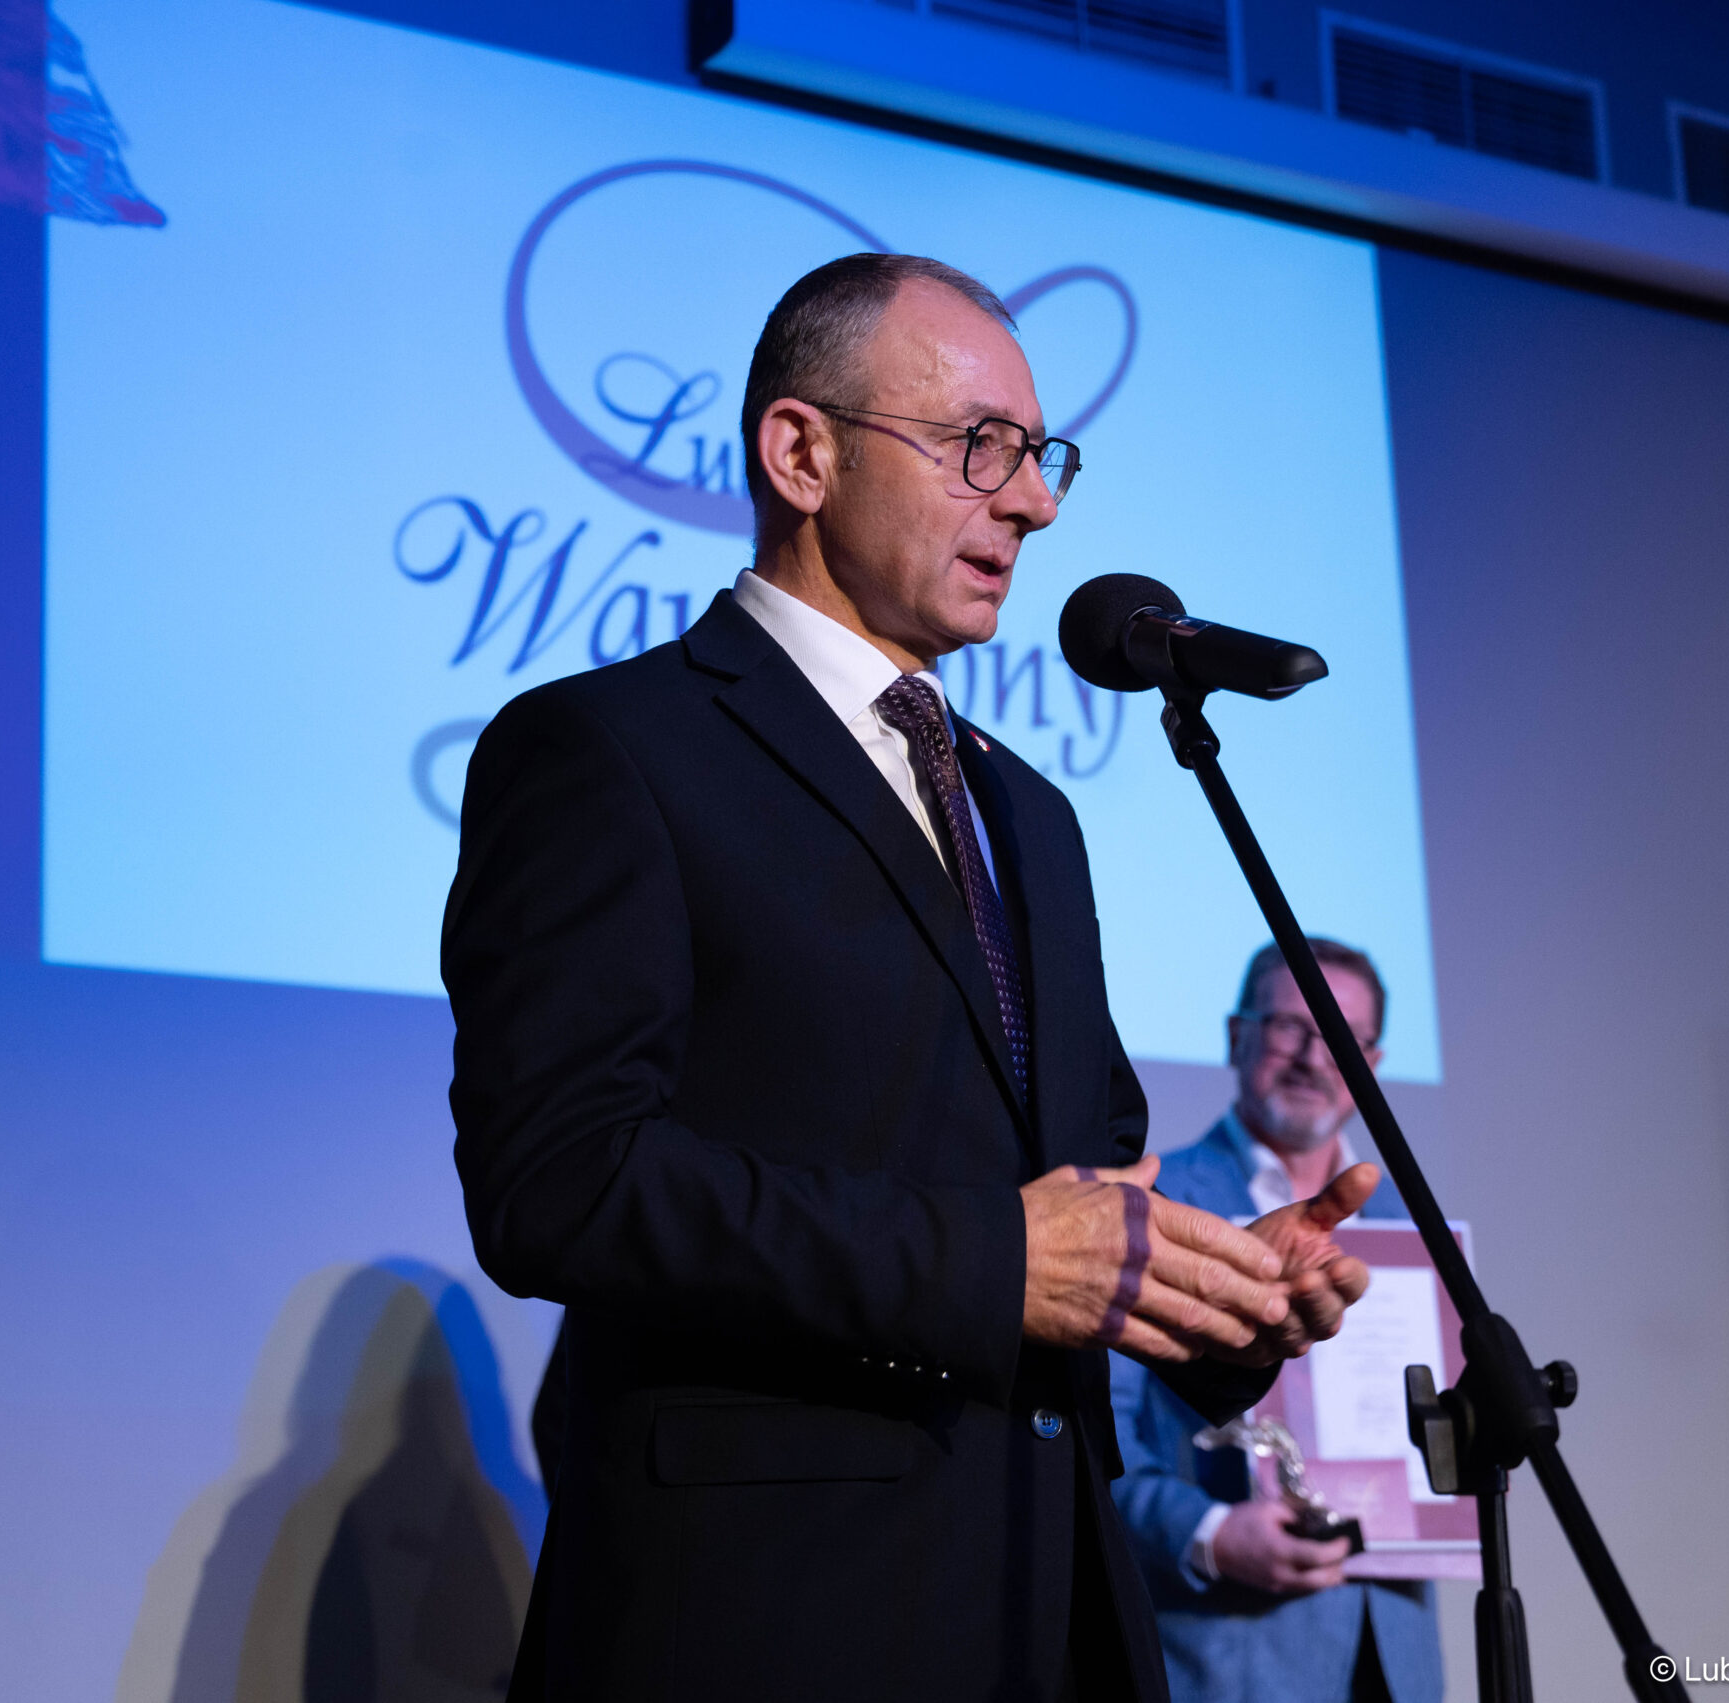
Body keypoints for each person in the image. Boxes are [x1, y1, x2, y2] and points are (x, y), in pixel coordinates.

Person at [442, 253, 1381, 1703]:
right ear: (801, 453)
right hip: (769, 1619)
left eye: (1044, 454)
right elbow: (561, 1180)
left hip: (1051, 1613)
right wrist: (995, 1261)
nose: (1037, 502)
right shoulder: (610, 750)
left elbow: (1092, 1190)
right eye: (980, 446)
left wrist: (1222, 1298)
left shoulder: (1029, 813)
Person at [1107, 940, 1447, 1703]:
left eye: (1340, 1037)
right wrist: (1209, 1534)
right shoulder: (1160, 1200)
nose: (1312, 1056)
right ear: (1238, 1036)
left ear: (1372, 1062)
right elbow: (1102, 1433)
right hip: (1228, 1658)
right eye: (1291, 1025)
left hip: (1398, 1659)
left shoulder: (1411, 1226)